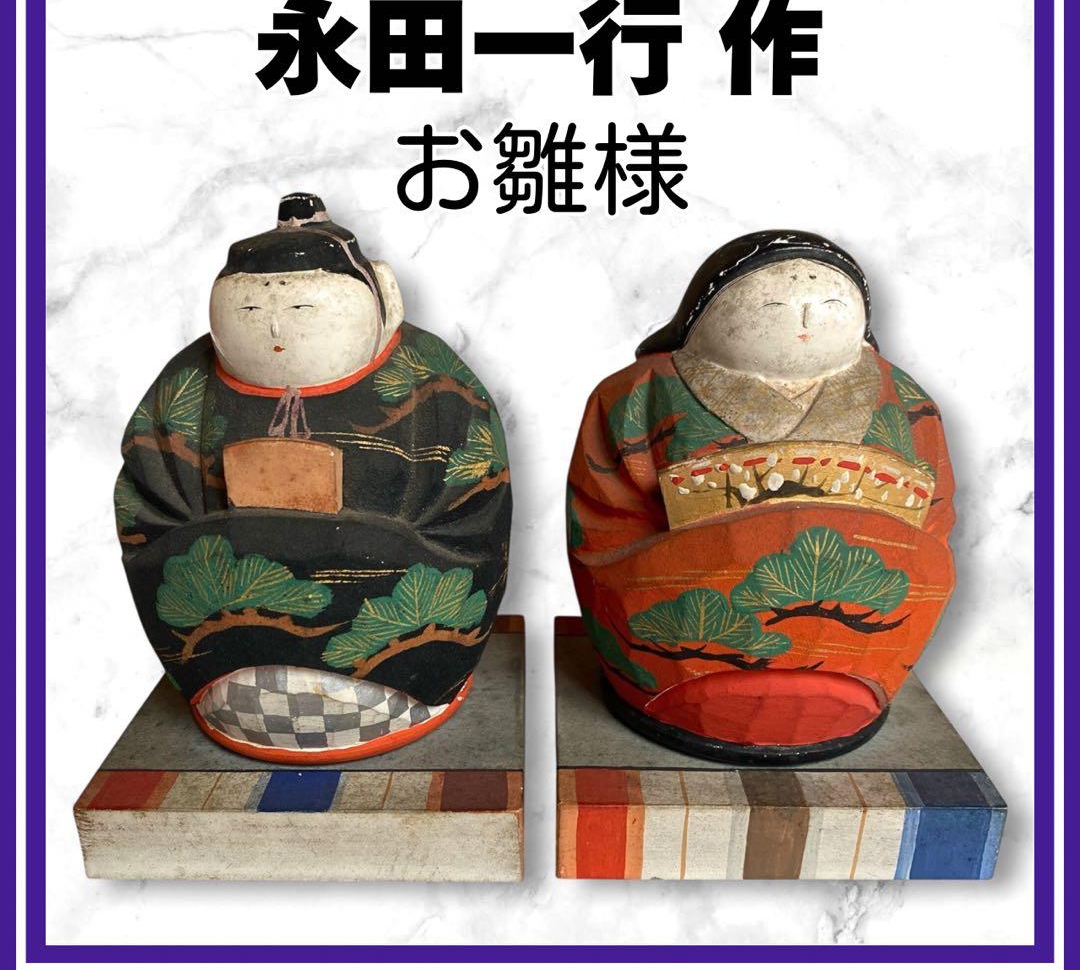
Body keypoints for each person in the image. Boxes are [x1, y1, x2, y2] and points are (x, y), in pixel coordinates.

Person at [116, 193, 511, 762]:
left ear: (383, 297)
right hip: (224, 676)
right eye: (250, 310)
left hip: (399, 681)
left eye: (302, 308)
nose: (276, 327)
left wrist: (363, 546)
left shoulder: (432, 380)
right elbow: (146, 512)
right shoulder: (186, 386)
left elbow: (475, 520)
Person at [567, 230, 955, 763]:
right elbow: (603, 523)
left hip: (870, 637)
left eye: (831, 305)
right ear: (701, 317)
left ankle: (853, 688)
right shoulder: (636, 392)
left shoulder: (907, 400)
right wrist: (718, 553)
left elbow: (936, 519)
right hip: (688, 644)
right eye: (772, 305)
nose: (803, 321)